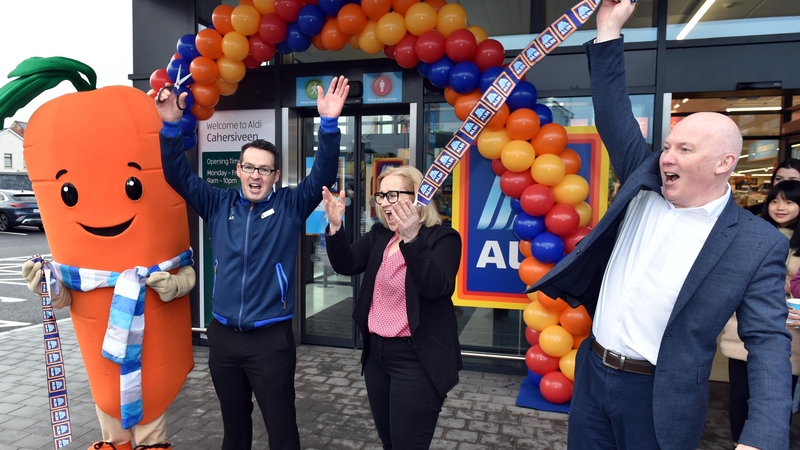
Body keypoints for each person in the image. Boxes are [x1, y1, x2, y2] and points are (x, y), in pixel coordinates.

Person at [529, 2, 792, 450]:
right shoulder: (645, 179)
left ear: (724, 164)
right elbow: (614, 114)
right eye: (668, 145)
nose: (667, 157)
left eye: (684, 150)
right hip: (593, 375)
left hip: (659, 398)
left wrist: (763, 437)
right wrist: (608, 29)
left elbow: (767, 340)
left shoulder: (756, 243)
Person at [154, 76, 349, 450]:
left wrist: (328, 125)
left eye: (264, 169)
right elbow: (176, 174)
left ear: (275, 176)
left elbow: (322, 174)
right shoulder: (218, 204)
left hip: (270, 340)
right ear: (238, 170)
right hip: (224, 338)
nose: (255, 175)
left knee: (281, 429)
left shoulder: (289, 207)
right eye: (249, 167)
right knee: (234, 429)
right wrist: (169, 126)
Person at [322, 166, 462, 449]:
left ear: (419, 197)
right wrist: (336, 228)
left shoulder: (443, 238)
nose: (384, 202)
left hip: (417, 359)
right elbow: (346, 264)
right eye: (381, 195)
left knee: (407, 444)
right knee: (389, 441)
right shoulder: (379, 236)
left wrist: (412, 239)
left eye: (392, 194)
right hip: (377, 356)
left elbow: (436, 288)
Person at [721, 180, 800, 447]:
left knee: (774, 401)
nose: (780, 207)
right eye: (775, 200)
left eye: (789, 201)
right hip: (740, 336)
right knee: (739, 400)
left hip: (788, 335)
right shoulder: (749, 232)